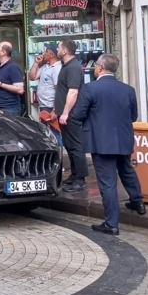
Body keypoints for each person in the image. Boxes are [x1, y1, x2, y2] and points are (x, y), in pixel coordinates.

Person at [69, 53, 145, 235]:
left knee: (107, 182)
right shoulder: (128, 89)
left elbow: (77, 115)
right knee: (126, 170)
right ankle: (138, 202)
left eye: (96, 66)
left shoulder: (90, 89)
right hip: (123, 138)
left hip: (101, 141)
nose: (95, 68)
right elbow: (133, 116)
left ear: (101, 68)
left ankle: (112, 223)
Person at [56, 38, 88, 192]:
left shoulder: (73, 67)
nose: (57, 49)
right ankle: (75, 175)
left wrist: (66, 113)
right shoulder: (66, 66)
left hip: (71, 114)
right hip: (65, 114)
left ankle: (80, 179)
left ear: (65, 51)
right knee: (69, 145)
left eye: (59, 47)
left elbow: (73, 91)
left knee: (75, 146)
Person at [29, 45, 62, 144]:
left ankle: (58, 155)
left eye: (46, 52)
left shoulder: (57, 68)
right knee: (46, 133)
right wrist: (36, 63)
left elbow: (59, 90)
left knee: (55, 133)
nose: (43, 54)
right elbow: (32, 77)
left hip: (51, 107)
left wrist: (55, 110)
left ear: (52, 54)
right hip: (43, 106)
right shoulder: (45, 67)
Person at [0, 41, 25, 116]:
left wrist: (1, 84)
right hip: (0, 110)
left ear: (3, 52)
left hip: (8, 111)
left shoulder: (13, 67)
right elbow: (0, 82)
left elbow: (20, 89)